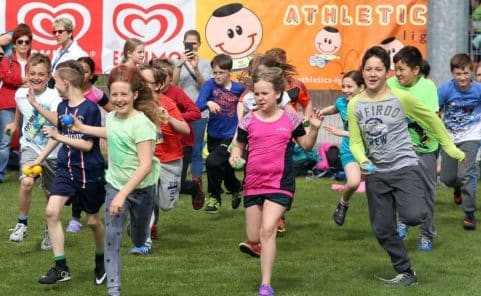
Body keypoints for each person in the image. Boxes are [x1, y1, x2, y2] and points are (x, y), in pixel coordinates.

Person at [347, 46, 464, 286]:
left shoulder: (401, 97)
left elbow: (431, 119)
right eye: (368, 69)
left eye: (378, 69)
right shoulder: (355, 105)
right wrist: (363, 160)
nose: (372, 74)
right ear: (363, 71)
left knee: (413, 215)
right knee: (381, 229)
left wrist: (449, 147)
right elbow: (356, 142)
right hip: (376, 173)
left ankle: (411, 209)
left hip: (404, 166)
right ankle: (406, 272)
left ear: (386, 72)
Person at [230, 67, 322, 296]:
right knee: (254, 236)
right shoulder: (248, 120)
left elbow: (307, 146)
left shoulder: (290, 118)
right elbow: (239, 147)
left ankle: (266, 285)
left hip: (280, 183)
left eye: (264, 94)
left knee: (268, 229)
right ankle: (260, 246)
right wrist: (235, 156)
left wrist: (315, 130)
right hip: (253, 183)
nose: (260, 99)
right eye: (256, 94)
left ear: (278, 93)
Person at [70, 64, 161, 295]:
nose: (119, 99)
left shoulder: (142, 124)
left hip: (142, 189)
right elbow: (111, 132)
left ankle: (138, 233)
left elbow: (145, 165)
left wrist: (124, 194)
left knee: (139, 239)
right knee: (111, 238)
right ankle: (114, 290)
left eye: (124, 94)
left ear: (135, 95)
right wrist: (83, 127)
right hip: (115, 185)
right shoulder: (110, 117)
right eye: (115, 94)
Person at [30, 60, 106, 285]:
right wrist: (39, 160)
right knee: (52, 211)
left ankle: (102, 261)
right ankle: (61, 267)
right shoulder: (62, 107)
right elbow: (57, 137)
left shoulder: (90, 109)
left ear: (65, 82)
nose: (54, 84)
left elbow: (88, 145)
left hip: (89, 171)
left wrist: (59, 136)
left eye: (55, 81)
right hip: (66, 169)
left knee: (93, 222)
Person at [387, 46, 440, 251]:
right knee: (400, 188)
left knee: (427, 192)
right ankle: (404, 220)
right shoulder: (390, 84)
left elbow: (430, 118)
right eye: (396, 69)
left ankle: (427, 235)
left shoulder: (428, 88)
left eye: (402, 69)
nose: (397, 74)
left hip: (425, 148)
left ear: (416, 70)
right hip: (398, 149)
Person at [6, 53, 61, 251]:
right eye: (32, 73)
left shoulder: (54, 96)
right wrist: (15, 121)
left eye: (41, 74)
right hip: (30, 146)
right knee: (27, 182)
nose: (36, 77)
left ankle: (49, 229)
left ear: (49, 76)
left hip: (52, 151)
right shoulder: (20, 94)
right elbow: (22, 108)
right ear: (27, 73)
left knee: (50, 194)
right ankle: (22, 224)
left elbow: (57, 121)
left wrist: (36, 104)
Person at [139, 62, 189, 248]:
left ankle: (150, 220)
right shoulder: (135, 104)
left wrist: (168, 118)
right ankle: (144, 239)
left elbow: (184, 129)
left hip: (170, 159)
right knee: (147, 197)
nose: (142, 84)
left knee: (166, 203)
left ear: (158, 85)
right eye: (140, 81)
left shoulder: (167, 103)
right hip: (147, 160)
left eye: (147, 82)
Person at [64, 56, 113, 234]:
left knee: (88, 180)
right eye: (78, 71)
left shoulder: (96, 94)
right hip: (71, 142)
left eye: (85, 71)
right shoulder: (66, 94)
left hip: (89, 141)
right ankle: (75, 218)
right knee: (74, 180)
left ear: (92, 74)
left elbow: (113, 113)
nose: (82, 75)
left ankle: (94, 214)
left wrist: (104, 134)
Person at [149, 58, 203, 212]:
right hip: (155, 150)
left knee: (173, 188)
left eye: (165, 78)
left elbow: (195, 112)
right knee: (150, 191)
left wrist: (174, 118)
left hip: (181, 145)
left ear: (168, 79)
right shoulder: (143, 100)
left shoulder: (175, 93)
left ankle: (194, 187)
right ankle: (150, 226)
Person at [314, 70, 364, 226]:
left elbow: (367, 133)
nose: (345, 90)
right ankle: (343, 203)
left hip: (369, 152)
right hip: (349, 150)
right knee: (354, 182)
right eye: (343, 86)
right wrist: (321, 112)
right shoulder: (342, 102)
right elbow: (335, 108)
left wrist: (341, 132)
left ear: (361, 87)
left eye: (349, 86)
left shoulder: (368, 105)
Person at [196, 54, 244, 213]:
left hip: (231, 135)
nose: (217, 76)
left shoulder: (239, 89)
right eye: (214, 72)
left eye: (221, 73)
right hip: (213, 135)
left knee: (211, 162)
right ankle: (236, 188)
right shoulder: (210, 85)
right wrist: (208, 103)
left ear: (229, 71)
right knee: (225, 169)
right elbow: (198, 105)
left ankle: (214, 197)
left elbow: (249, 103)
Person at [438, 53, 481, 230]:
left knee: (466, 174)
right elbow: (433, 110)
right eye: (458, 74)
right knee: (448, 178)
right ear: (452, 73)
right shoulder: (445, 89)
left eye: (465, 73)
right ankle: (457, 189)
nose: (462, 78)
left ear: (471, 71)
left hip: (472, 136)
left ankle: (469, 214)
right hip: (450, 138)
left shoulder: (478, 90)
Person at [172, 30, 212, 196]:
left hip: (199, 112)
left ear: (199, 44)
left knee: (196, 149)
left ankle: (197, 182)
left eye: (194, 43)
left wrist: (196, 69)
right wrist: (179, 65)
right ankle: (179, 181)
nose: (191, 46)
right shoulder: (175, 62)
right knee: (180, 148)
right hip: (178, 114)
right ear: (183, 43)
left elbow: (206, 87)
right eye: (188, 43)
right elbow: (172, 86)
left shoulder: (206, 63)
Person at [0, 23, 32, 183]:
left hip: (28, 105)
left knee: (25, 139)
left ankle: (24, 173)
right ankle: (0, 175)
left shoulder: (34, 60)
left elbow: (38, 79)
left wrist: (20, 81)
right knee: (5, 141)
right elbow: (6, 78)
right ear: (14, 43)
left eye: (27, 42)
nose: (23, 45)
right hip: (7, 105)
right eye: (20, 41)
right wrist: (24, 80)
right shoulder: (7, 60)